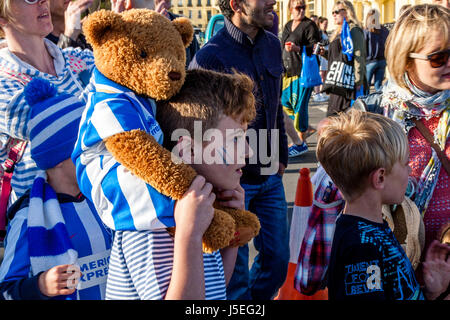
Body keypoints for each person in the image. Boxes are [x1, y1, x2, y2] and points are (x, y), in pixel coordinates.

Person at [104, 69, 255, 300]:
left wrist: (231, 237)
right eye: (235, 139)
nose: (249, 151)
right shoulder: (150, 219)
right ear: (189, 149)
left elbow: (213, 287)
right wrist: (189, 235)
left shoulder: (200, 203)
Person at [189, 0, 290, 300]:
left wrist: (282, 155)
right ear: (236, 4)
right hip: (233, 182)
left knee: (278, 261)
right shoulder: (210, 57)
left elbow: (277, 107)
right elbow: (194, 128)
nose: (273, 1)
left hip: (271, 175)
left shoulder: (273, 45)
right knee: (235, 275)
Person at [318, 109, 450, 300]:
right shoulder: (361, 247)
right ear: (380, 177)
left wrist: (432, 291)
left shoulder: (370, 230)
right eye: (405, 164)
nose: (410, 169)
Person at [0, 79, 112, 300]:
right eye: (88, 146)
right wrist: (40, 285)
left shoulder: (106, 195)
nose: (99, 152)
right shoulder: (27, 218)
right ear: (58, 159)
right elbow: (6, 291)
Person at [0, 0, 95, 202]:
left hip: (102, 214)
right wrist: (105, 88)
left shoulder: (75, 58)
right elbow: (64, 127)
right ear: (3, 17)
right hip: (49, 224)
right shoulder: (4, 82)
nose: (43, 1)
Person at [379, 3, 449, 262]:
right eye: (438, 57)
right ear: (406, 61)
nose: (449, 63)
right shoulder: (379, 116)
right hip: (397, 264)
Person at [280, 0, 321, 158]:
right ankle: (306, 128)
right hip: (288, 72)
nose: (302, 10)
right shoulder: (288, 25)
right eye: (298, 7)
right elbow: (282, 44)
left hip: (303, 72)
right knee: (286, 104)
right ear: (291, 9)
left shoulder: (309, 25)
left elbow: (317, 47)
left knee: (299, 106)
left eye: (303, 7)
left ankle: (300, 142)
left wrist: (299, 48)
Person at [321, 0, 367, 116]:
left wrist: (358, 81)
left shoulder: (353, 30)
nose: (334, 15)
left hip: (347, 82)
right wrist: (324, 53)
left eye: (336, 11)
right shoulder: (339, 31)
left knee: (338, 117)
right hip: (337, 80)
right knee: (334, 117)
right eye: (332, 12)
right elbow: (338, 57)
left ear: (347, 12)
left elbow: (358, 56)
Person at [364, 8, 389, 92]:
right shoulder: (385, 30)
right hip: (382, 60)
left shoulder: (367, 31)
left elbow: (363, 46)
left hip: (369, 61)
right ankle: (379, 103)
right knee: (378, 86)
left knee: (366, 86)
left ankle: (366, 103)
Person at [314, 16, 329, 102]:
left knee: (325, 75)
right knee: (320, 75)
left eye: (327, 24)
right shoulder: (319, 33)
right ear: (320, 24)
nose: (326, 25)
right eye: (324, 24)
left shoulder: (325, 32)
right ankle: (317, 93)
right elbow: (319, 43)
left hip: (326, 56)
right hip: (320, 56)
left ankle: (322, 92)